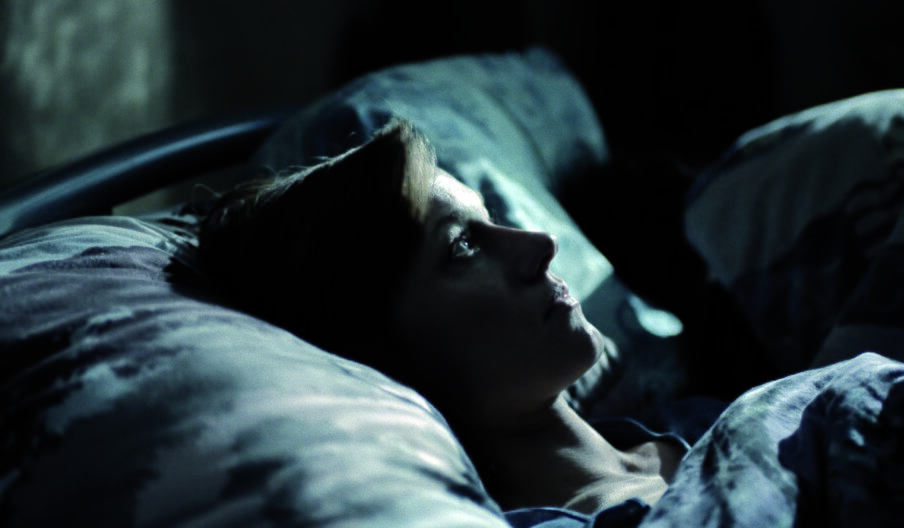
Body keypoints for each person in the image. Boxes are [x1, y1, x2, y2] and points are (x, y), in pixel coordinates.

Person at [199, 118, 688, 516]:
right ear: (381, 354)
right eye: (464, 247)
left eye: (491, 219)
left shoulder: (689, 419)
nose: (542, 245)